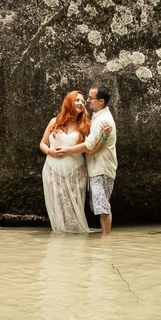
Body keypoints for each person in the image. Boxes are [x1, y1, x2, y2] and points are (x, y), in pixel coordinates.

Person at [55, 85, 117, 235]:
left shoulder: (103, 120)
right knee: (100, 206)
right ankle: (105, 239)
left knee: (103, 208)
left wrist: (66, 151)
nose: (88, 101)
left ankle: (106, 241)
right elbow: (94, 147)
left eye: (91, 98)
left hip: (101, 169)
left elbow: (89, 146)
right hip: (97, 168)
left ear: (101, 101)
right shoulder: (98, 116)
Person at [39, 90, 91, 233]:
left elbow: (89, 147)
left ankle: (74, 241)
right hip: (52, 170)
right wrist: (50, 152)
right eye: (77, 100)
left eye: (82, 101)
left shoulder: (86, 125)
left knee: (73, 206)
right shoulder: (54, 122)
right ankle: (60, 236)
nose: (81, 103)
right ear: (69, 102)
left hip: (75, 171)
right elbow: (42, 144)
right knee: (57, 205)